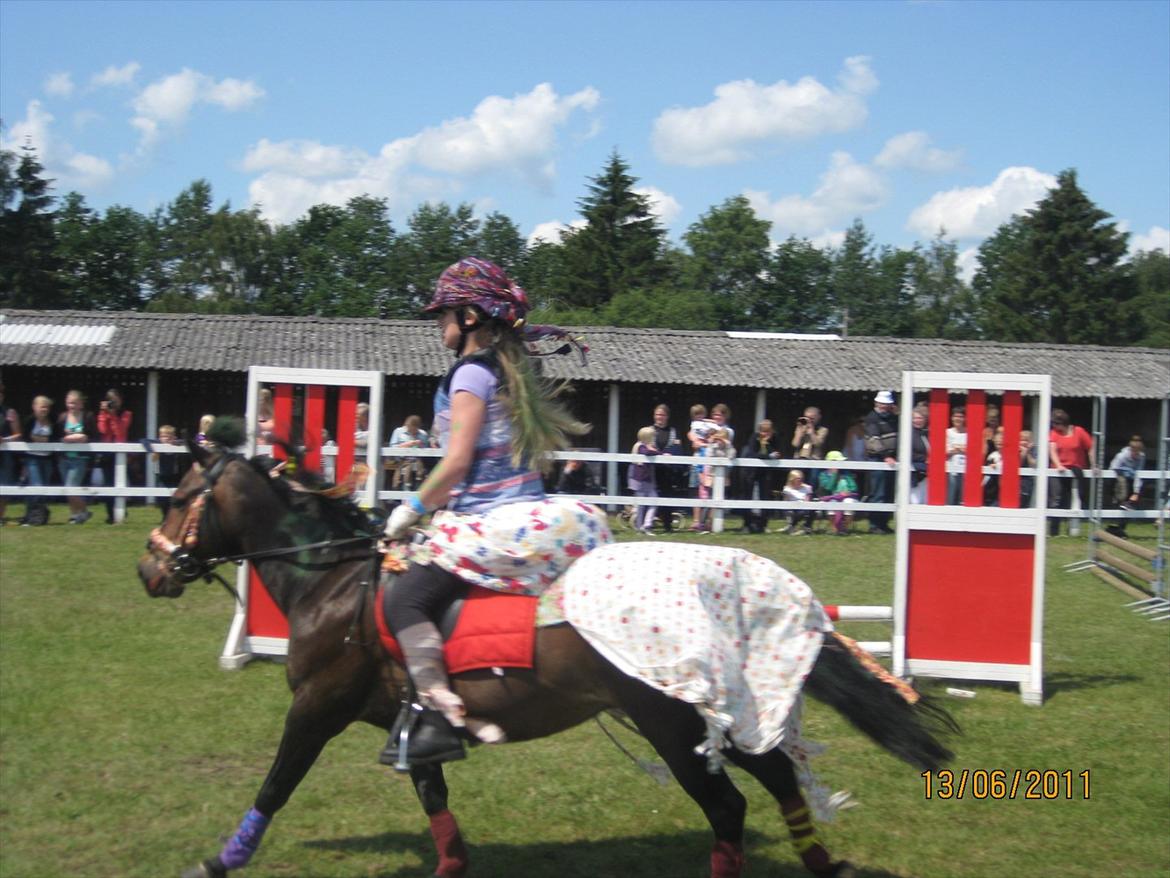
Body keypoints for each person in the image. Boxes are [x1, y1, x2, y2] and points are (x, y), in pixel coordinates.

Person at [380, 257, 611, 764]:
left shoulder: (468, 375)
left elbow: (457, 462)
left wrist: (410, 508)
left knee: (403, 602)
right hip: (538, 513)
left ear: (469, 317)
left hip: (488, 522)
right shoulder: (511, 369)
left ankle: (437, 714)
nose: (436, 323)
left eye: (442, 313)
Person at [1048, 408, 1093, 537]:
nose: (1054, 426)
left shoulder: (1079, 431)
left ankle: (1071, 530)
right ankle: (1054, 531)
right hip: (1059, 471)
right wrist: (1058, 465)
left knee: (1074, 500)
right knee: (1056, 500)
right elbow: (1052, 450)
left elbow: (1090, 447)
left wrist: (1094, 465)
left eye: (1056, 423)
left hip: (1076, 470)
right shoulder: (1054, 433)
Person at [58, 389, 96, 524]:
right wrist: (70, 438)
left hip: (80, 458)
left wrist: (83, 437)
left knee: (71, 486)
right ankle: (75, 515)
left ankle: (84, 511)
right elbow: (58, 436)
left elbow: (93, 435)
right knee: (68, 488)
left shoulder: (87, 417)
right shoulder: (62, 417)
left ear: (81, 404)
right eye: (69, 403)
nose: (71, 406)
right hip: (64, 458)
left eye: (74, 403)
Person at [96, 388, 133, 524]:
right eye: (111, 400)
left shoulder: (126, 414)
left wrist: (112, 415)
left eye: (116, 400)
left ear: (121, 401)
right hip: (106, 452)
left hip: (120, 453)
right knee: (107, 484)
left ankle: (120, 511)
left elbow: (120, 432)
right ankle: (111, 514)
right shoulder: (103, 413)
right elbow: (102, 430)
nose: (113, 403)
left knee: (119, 483)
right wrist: (103, 413)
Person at [20, 395, 58, 526]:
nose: (44, 409)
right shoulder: (29, 420)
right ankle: (33, 516)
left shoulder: (52, 421)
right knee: (37, 485)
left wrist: (37, 438)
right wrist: (43, 439)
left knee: (43, 488)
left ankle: (38, 515)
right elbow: (26, 437)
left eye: (46, 407)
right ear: (34, 407)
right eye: (42, 406)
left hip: (47, 459)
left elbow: (55, 438)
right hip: (32, 458)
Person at [863, 391, 898, 533]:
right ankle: (874, 524)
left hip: (891, 459)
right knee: (878, 492)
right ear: (876, 403)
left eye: (887, 404)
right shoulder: (872, 418)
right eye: (882, 403)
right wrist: (885, 456)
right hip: (877, 458)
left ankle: (883, 523)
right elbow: (874, 440)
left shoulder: (893, 418)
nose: (884, 406)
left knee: (889, 492)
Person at [741, 419, 781, 534]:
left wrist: (767, 445)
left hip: (766, 472)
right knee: (747, 497)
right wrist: (768, 456)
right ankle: (747, 524)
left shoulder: (775, 438)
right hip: (751, 471)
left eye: (768, 432)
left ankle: (763, 525)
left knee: (765, 496)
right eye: (763, 431)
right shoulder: (754, 437)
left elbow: (777, 453)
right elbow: (752, 454)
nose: (765, 434)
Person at [649, 404, 683, 532]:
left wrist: (671, 453)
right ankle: (648, 523)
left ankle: (667, 525)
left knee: (667, 495)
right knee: (651, 495)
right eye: (658, 414)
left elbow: (678, 448)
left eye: (662, 415)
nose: (660, 417)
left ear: (667, 416)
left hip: (668, 469)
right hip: (651, 470)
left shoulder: (673, 431)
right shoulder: (649, 430)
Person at [1107, 435, 1146, 538]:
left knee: (1129, 507)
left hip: (1132, 481)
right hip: (1119, 480)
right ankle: (1114, 527)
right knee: (1121, 500)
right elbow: (1113, 468)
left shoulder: (1141, 457)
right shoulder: (1122, 456)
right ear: (1131, 449)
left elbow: (1139, 474)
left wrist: (1136, 492)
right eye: (1134, 452)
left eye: (1137, 453)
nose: (1136, 455)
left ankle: (1120, 528)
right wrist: (1125, 472)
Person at [687, 404, 717, 532]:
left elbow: (714, 429)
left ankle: (709, 522)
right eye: (696, 414)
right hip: (697, 462)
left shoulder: (708, 425)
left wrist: (707, 422)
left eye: (701, 414)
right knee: (696, 491)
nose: (699, 417)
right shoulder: (694, 427)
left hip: (709, 463)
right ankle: (696, 521)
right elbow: (694, 442)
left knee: (709, 492)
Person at [627, 426, 663, 533]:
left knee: (654, 500)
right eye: (653, 436)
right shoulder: (640, 446)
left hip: (648, 480)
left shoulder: (648, 446)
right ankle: (640, 526)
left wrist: (657, 452)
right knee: (641, 505)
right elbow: (647, 453)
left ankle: (647, 524)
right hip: (640, 480)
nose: (654, 438)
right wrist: (658, 453)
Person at [815, 451, 859, 535]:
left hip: (847, 496)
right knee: (832, 504)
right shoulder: (823, 475)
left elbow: (854, 487)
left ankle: (844, 528)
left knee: (849, 503)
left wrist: (848, 492)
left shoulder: (846, 473)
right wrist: (835, 474)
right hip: (831, 497)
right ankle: (835, 528)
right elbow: (829, 487)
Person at [150, 424, 187, 520]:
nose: (165, 439)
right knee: (162, 499)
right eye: (163, 436)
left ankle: (172, 517)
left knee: (174, 498)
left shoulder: (176, 445)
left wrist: (175, 443)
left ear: (173, 437)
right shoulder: (158, 445)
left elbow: (185, 442)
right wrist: (156, 450)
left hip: (174, 475)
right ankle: (165, 517)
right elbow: (153, 459)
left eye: (168, 436)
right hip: (162, 475)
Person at [0, 383, 23, 524]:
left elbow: (18, 434)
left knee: (3, 486)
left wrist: (4, 440)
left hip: (4, 456)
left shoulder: (9, 413)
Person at [389, 414, 430, 492]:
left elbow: (427, 449)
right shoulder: (398, 431)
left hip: (418, 460)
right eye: (409, 427)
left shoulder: (423, 434)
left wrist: (420, 444)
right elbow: (392, 447)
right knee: (406, 469)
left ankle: (418, 488)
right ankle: (401, 489)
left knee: (420, 470)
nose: (411, 430)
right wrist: (407, 444)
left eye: (414, 429)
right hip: (402, 459)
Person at [778, 469, 815, 534]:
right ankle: (793, 525)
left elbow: (808, 499)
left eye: (801, 479)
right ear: (792, 479)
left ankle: (806, 527)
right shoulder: (787, 489)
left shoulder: (807, 487)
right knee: (798, 512)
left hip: (804, 506)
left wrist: (805, 504)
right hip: (793, 507)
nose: (800, 480)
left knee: (811, 509)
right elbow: (786, 501)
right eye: (798, 479)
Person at [944, 406, 968, 506]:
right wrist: (959, 449)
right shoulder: (947, 432)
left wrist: (956, 448)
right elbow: (944, 451)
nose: (958, 419)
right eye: (956, 416)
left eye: (961, 416)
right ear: (952, 418)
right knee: (950, 494)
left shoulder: (969, 432)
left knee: (963, 496)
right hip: (950, 468)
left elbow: (972, 450)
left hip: (965, 468)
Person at [908, 404, 930, 505]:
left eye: (920, 418)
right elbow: (908, 453)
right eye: (915, 418)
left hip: (926, 474)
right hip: (914, 473)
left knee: (925, 500)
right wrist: (926, 458)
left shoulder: (926, 433)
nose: (918, 420)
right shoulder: (908, 433)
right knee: (915, 501)